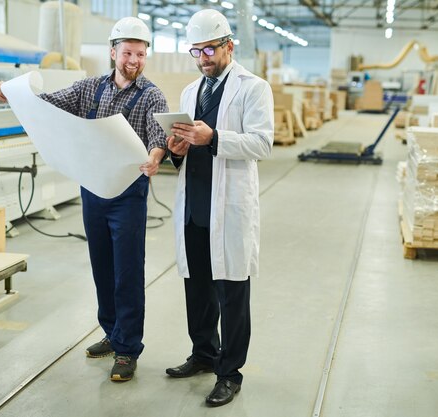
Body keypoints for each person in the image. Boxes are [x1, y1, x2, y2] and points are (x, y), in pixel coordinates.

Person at [0, 17, 168, 382]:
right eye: (127, 53)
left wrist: (155, 156)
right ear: (113, 52)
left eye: (140, 54)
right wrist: (12, 94)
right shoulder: (88, 89)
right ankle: (111, 331)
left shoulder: (151, 95)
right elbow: (47, 104)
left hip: (128, 195)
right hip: (92, 189)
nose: (134, 60)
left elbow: (157, 134)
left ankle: (127, 349)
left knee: (128, 272)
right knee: (102, 266)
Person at [164, 8, 274, 407]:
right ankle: (204, 354)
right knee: (197, 287)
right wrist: (176, 150)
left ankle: (229, 372)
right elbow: (187, 144)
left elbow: (263, 143)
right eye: (196, 51)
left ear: (229, 46)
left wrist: (214, 137)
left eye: (210, 49)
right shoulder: (191, 92)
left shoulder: (253, 87)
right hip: (195, 203)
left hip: (227, 207)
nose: (203, 57)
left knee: (231, 292)